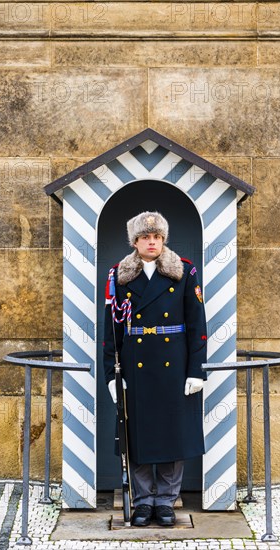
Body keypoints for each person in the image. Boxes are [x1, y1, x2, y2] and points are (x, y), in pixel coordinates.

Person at [103, 211, 207, 527]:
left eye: (158, 237)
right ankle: (143, 501)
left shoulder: (184, 272)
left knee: (171, 435)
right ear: (135, 241)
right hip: (136, 369)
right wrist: (111, 373)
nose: (152, 242)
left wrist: (196, 370)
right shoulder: (120, 276)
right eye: (146, 237)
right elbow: (112, 329)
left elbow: (197, 326)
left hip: (173, 366)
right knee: (137, 435)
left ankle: (165, 502)